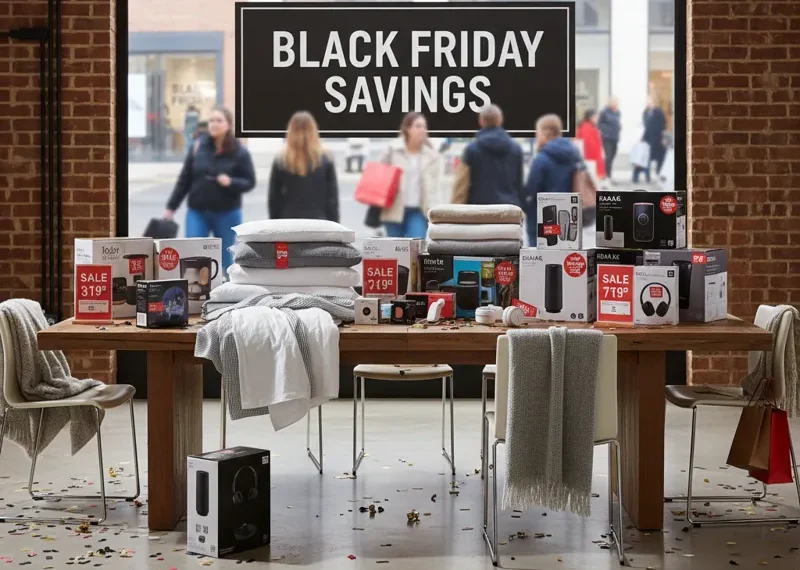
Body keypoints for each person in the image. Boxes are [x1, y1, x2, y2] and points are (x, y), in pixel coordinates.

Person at [164, 106, 256, 274]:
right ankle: (196, 295)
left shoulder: (239, 152)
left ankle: (229, 295)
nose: (214, 124)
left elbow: (250, 182)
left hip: (227, 213)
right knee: (194, 256)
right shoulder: (198, 146)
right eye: (211, 120)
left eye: (219, 120)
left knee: (228, 261)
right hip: (198, 212)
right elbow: (184, 179)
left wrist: (231, 182)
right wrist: (171, 208)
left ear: (228, 125)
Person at [379, 112, 444, 238]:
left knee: (416, 249)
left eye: (424, 127)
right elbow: (380, 175)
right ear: (408, 128)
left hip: (419, 211)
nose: (422, 130)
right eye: (418, 126)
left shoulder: (432, 155)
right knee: (395, 251)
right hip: (394, 209)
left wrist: (436, 212)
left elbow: (435, 188)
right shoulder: (392, 150)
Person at [522, 114, 584, 246]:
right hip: (568, 214)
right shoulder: (574, 154)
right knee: (564, 249)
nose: (536, 136)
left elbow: (532, 189)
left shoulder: (542, 159)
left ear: (545, 133)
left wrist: (524, 205)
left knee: (541, 253)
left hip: (543, 216)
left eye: (537, 132)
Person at [268, 111, 339, 222]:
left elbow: (274, 198)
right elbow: (332, 198)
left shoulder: (281, 159)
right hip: (319, 221)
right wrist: (335, 226)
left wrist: (274, 225)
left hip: (288, 221)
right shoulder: (326, 158)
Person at [452, 104, 523, 206]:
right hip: (509, 212)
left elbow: (461, 187)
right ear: (501, 120)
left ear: (480, 121)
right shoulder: (516, 149)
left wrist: (455, 212)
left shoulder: (471, 150)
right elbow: (519, 186)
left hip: (479, 213)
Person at [634, 95, 667, 184]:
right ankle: (642, 177)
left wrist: (663, 137)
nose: (648, 103)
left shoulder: (658, 111)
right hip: (648, 138)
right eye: (648, 102)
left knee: (660, 157)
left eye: (650, 101)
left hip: (657, 138)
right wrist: (642, 137)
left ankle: (658, 173)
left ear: (654, 102)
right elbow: (645, 125)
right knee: (644, 157)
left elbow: (663, 124)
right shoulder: (646, 112)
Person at [575, 109, 606, 179]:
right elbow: (588, 142)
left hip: (594, 154)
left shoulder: (589, 126)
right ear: (591, 117)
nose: (598, 119)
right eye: (596, 117)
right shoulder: (587, 126)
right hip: (592, 155)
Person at [597, 98, 621, 180]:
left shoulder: (618, 112)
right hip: (607, 138)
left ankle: (608, 174)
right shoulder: (604, 112)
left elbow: (617, 122)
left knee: (613, 155)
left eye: (617, 103)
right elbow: (599, 124)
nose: (617, 105)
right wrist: (607, 129)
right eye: (615, 103)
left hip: (615, 137)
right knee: (608, 156)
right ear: (610, 103)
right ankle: (608, 175)